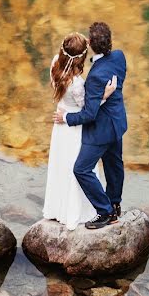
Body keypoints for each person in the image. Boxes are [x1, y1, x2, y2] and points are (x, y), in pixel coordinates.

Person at [53, 22, 128, 229]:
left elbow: (89, 114)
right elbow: (119, 81)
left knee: (82, 169)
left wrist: (66, 119)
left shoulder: (94, 76)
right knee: (114, 165)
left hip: (101, 131)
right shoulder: (120, 56)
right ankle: (115, 202)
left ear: (91, 43)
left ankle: (105, 212)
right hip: (118, 122)